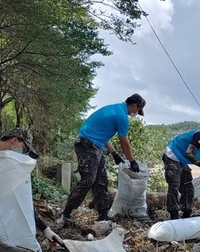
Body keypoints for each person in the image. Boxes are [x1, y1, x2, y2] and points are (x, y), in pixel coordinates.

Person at [58, 94, 145, 225]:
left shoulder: (115, 109)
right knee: (88, 179)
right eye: (138, 110)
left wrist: (114, 154)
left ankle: (103, 215)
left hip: (95, 146)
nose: (136, 113)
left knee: (101, 180)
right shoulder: (121, 116)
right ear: (134, 105)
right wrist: (132, 161)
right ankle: (66, 213)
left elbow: (103, 135)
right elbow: (125, 143)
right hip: (86, 144)